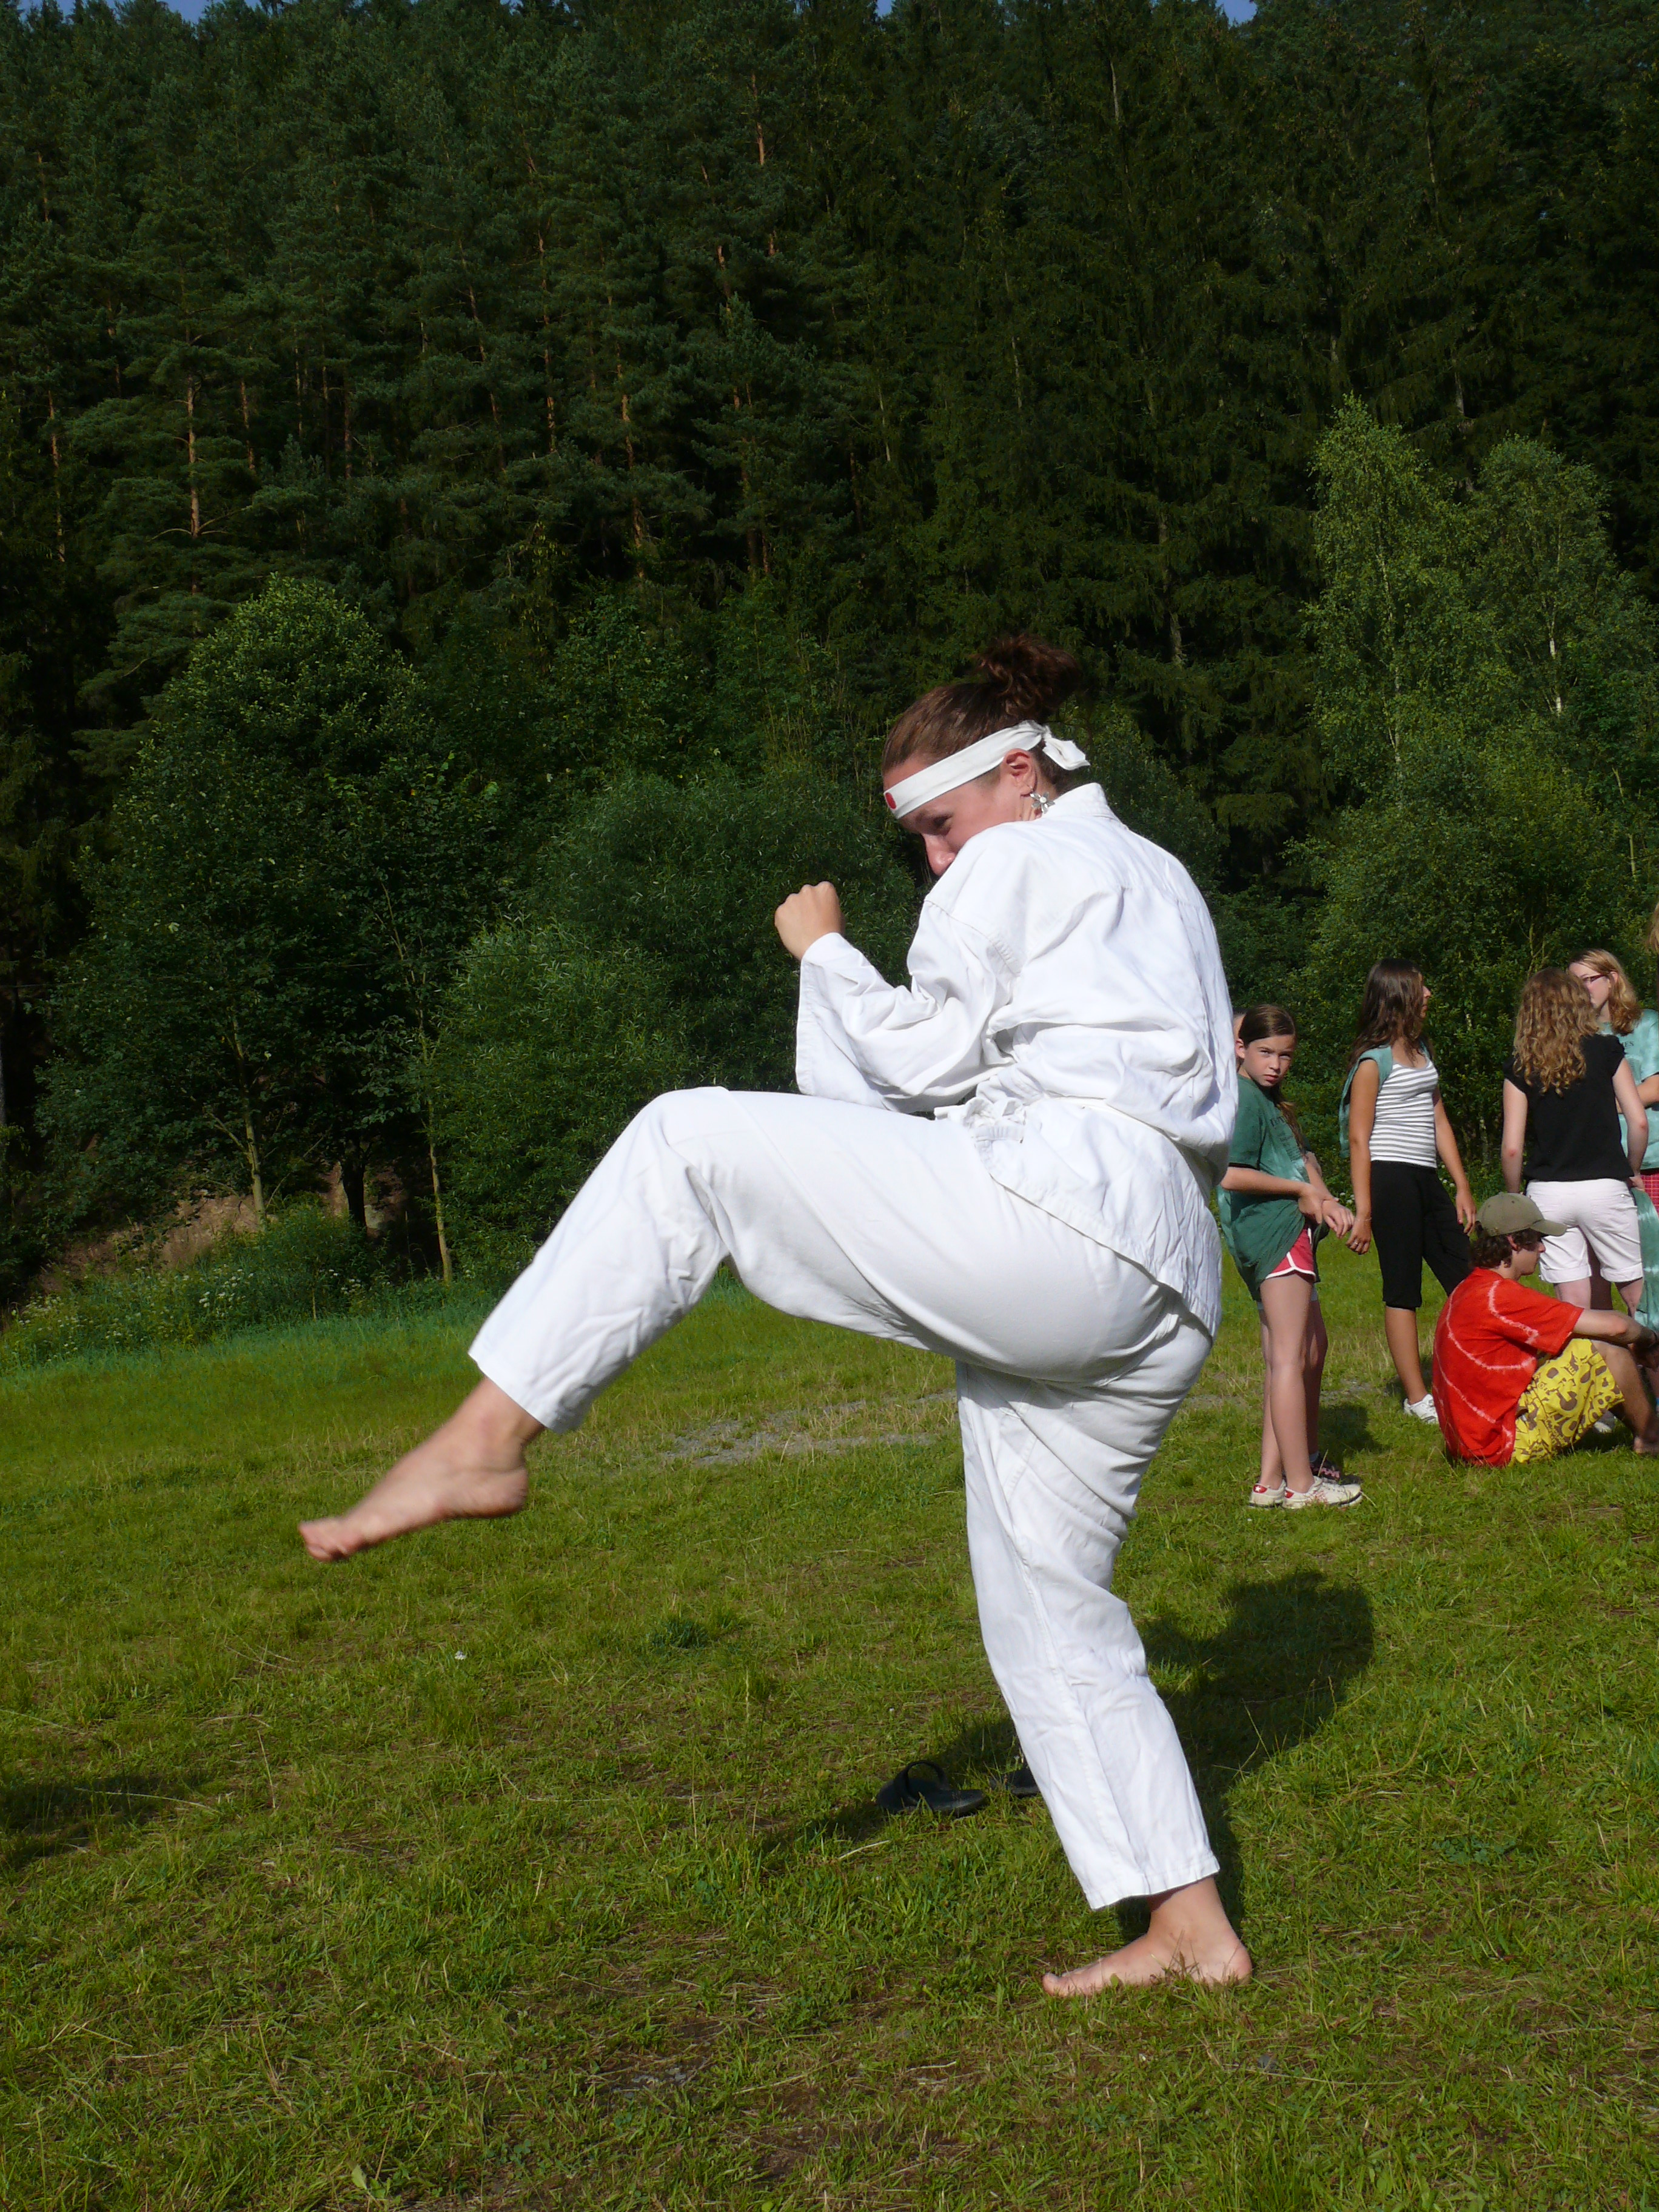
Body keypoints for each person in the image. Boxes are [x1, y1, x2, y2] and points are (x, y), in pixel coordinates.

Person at [299, 635, 1252, 1996]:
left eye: (940, 824)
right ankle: (1188, 1921)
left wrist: (823, 952)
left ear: (1020, 773)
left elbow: (909, 1067)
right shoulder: (1158, 873)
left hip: (1069, 1215)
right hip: (1168, 1274)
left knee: (687, 1142)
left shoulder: (1015, 863)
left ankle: (484, 1440)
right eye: (923, 841)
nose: (937, 858)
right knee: (1049, 1604)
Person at [1218, 1006, 1362, 1509]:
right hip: (1275, 1237)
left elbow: (1300, 1162)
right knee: (1288, 1360)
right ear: (1241, 1048)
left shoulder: (1264, 1099)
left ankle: (1271, 1481)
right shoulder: (1245, 1100)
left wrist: (1323, 1199)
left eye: (1286, 1056)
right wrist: (1301, 1192)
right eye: (1265, 1053)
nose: (1276, 1065)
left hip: (1278, 1234)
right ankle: (1303, 1485)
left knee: (1292, 1356)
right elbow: (1230, 1174)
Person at [1341, 960, 1475, 1421]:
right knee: (1403, 1287)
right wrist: (1364, 1212)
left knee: (1468, 1275)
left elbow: (1439, 1119)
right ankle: (1417, 1399)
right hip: (1390, 1179)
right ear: (1398, 995)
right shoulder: (1373, 1062)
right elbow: (1359, 1139)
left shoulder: (1421, 1050)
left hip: (1425, 1177)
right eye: (1421, 988)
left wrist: (1462, 1186)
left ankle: (1482, 1367)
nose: (1429, 994)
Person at [1432, 1195, 1659, 1464]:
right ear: (1514, 1242)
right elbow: (1618, 1327)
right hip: (1500, 1446)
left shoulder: (1469, 1288)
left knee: (1590, 1340)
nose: (1542, 1249)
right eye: (1537, 1239)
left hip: (1471, 1441)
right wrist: (1649, 1339)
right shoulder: (1501, 1296)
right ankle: (1652, 1438)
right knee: (1607, 1348)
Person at [1501, 969, 1649, 1319]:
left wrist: (1514, 1195)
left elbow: (1512, 1147)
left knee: (1575, 1309)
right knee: (1638, 1298)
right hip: (1605, 1187)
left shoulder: (1521, 1065)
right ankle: (1649, 1354)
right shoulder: (1607, 1050)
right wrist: (1631, 1168)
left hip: (1549, 1194)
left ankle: (1591, 1358)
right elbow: (1639, 1121)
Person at [1570, 948, 1659, 1210]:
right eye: (1574, 984)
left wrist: (1598, 1105)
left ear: (1612, 979)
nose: (1583, 990)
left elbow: (1655, 1088)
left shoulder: (1646, 1024)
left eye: (1589, 980)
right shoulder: (1572, 1037)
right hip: (1599, 1167)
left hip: (1651, 1161)